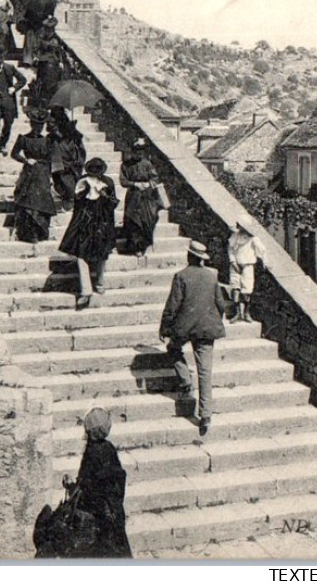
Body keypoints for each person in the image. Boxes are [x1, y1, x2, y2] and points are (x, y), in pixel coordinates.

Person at [159, 239, 226, 436]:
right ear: (202, 259)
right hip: (207, 328)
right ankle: (205, 415)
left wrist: (165, 327)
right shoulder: (211, 276)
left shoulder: (181, 276)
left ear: (189, 256)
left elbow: (173, 306)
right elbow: (220, 304)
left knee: (173, 348)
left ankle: (185, 380)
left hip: (185, 328)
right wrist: (214, 319)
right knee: (205, 371)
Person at [63, 408, 132, 558]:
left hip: (98, 517)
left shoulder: (91, 452)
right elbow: (117, 478)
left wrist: (70, 485)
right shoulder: (109, 447)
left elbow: (86, 487)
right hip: (114, 511)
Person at [59, 158, 118, 308]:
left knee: (102, 254)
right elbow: (77, 203)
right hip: (86, 224)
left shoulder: (108, 183)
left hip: (102, 224)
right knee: (81, 254)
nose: (94, 175)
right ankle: (86, 290)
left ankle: (99, 282)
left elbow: (113, 205)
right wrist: (85, 191)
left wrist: (104, 195)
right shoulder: (82, 181)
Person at [10, 113, 57, 244]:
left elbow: (52, 158)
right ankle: (30, 233)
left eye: (41, 125)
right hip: (30, 171)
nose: (39, 128)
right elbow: (14, 154)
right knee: (29, 199)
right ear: (31, 124)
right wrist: (25, 160)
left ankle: (41, 231)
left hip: (43, 172)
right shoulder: (23, 138)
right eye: (36, 125)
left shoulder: (47, 140)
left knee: (42, 199)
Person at [119, 138, 164, 257]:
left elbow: (155, 177)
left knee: (148, 219)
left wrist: (149, 183)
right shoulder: (126, 165)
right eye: (137, 151)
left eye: (141, 152)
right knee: (133, 219)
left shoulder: (147, 164)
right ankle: (134, 246)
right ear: (133, 152)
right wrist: (135, 184)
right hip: (133, 195)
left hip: (147, 196)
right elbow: (123, 181)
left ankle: (144, 245)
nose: (139, 154)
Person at [227, 220, 266, 323]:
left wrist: (263, 261)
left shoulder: (254, 239)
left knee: (247, 290)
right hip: (235, 265)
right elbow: (230, 249)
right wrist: (233, 262)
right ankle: (237, 312)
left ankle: (246, 312)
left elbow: (262, 250)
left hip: (247, 266)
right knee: (235, 288)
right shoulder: (235, 236)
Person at [49, 108, 86, 210]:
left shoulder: (73, 136)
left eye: (54, 122)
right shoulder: (51, 138)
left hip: (71, 169)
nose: (51, 125)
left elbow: (81, 153)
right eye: (50, 123)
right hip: (58, 168)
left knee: (70, 188)